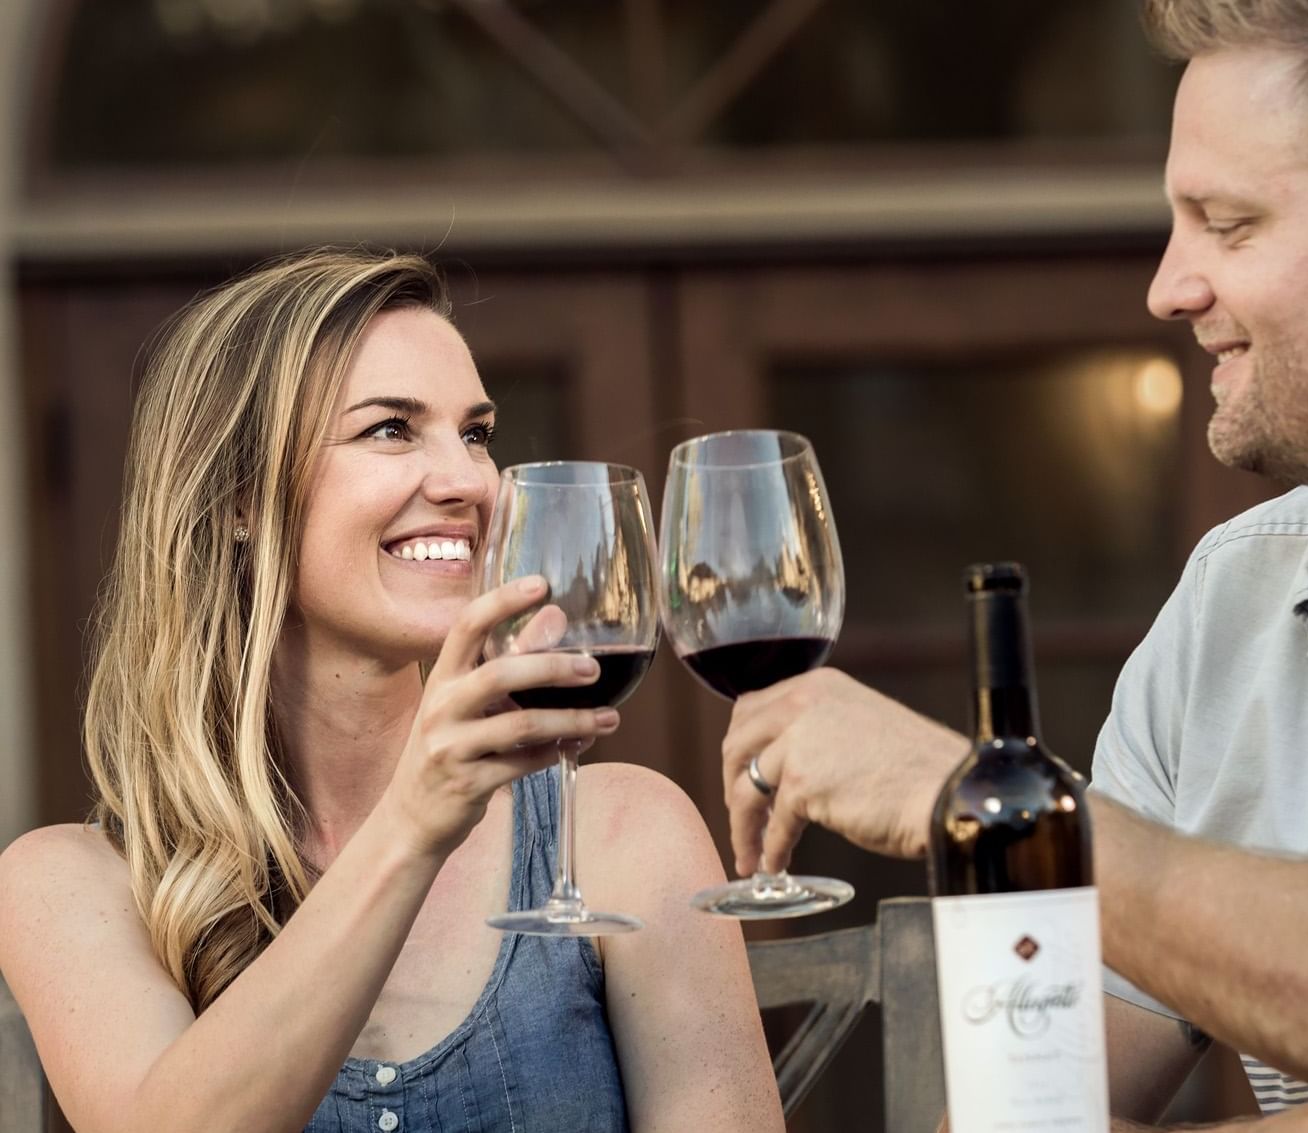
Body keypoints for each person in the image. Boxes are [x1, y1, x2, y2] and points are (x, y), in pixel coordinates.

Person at [719, 1, 1308, 1129]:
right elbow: (1018, 1112)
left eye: (1226, 225)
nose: (1168, 286)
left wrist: (990, 807)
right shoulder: (1228, 603)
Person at [0, 249, 783, 1133]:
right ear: (239, 497)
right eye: (390, 429)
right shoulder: (71, 884)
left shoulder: (623, 836)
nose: (469, 482)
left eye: (476, 433)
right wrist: (413, 826)